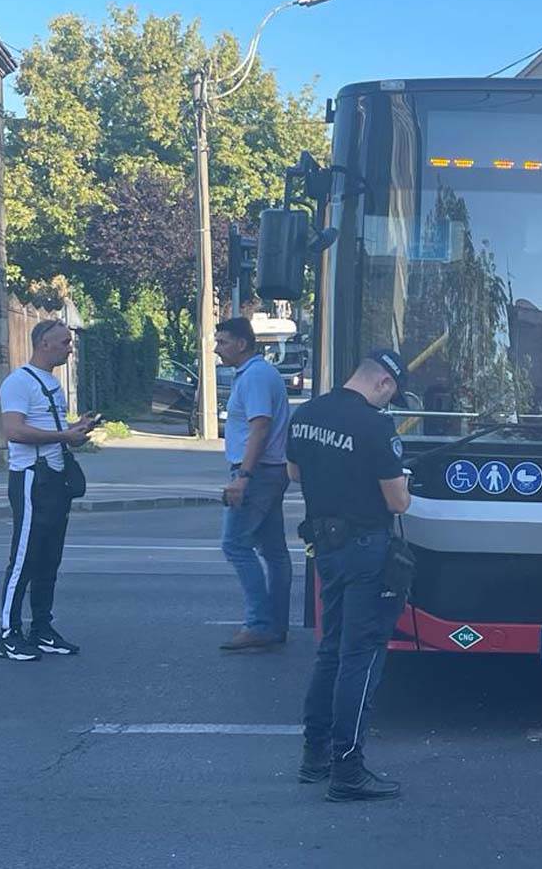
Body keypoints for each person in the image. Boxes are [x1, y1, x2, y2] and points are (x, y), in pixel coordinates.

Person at [287, 349, 412, 802]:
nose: (389, 402)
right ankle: (348, 769)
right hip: (365, 549)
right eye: (392, 394)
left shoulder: (307, 414)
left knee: (331, 651)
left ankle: (314, 753)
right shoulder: (375, 425)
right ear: (382, 383)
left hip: (326, 547)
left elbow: (295, 471)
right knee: (362, 655)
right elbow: (398, 503)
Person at [0, 319, 95, 661]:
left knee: (49, 560)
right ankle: (8, 634)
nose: (70, 347)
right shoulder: (18, 382)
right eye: (65, 342)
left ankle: (41, 629)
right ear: (43, 344)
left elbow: (49, 428)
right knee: (23, 559)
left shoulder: (51, 382)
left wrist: (74, 430)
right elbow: (14, 431)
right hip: (30, 479)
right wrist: (64, 436)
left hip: (55, 480)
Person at [215, 317, 294, 650]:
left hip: (258, 473)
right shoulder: (256, 374)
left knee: (235, 544)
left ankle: (260, 623)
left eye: (222, 342)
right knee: (273, 550)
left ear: (242, 344)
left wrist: (243, 477)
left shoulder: (256, 377)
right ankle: (275, 624)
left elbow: (259, 427)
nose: (217, 348)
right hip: (269, 471)